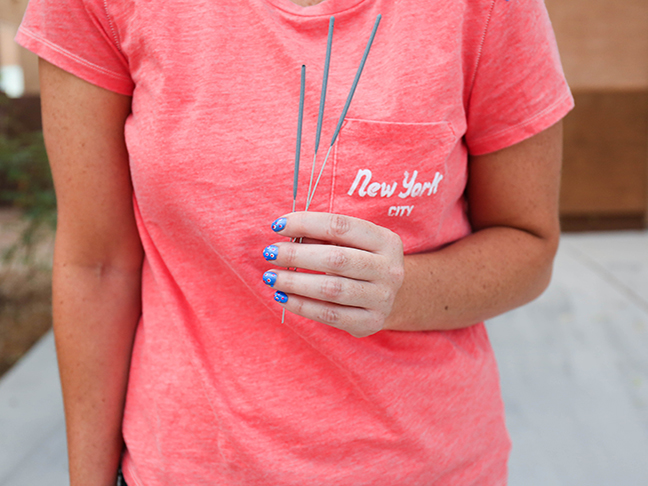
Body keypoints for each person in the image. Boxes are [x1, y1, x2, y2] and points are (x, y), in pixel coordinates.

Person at [16, 0, 573, 484]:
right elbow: (98, 265)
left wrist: (405, 291)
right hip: (187, 465)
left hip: (429, 464)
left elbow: (529, 242)